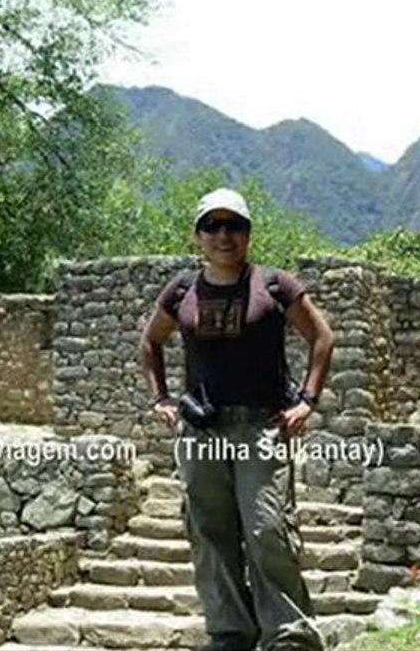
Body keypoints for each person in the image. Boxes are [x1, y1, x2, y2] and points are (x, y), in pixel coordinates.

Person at [139, 188, 335, 651]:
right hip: (201, 429)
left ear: (248, 234)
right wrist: (160, 399)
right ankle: (230, 633)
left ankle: (290, 636)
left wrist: (307, 399)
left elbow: (322, 338)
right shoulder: (181, 291)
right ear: (198, 236)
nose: (223, 235)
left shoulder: (274, 286)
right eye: (213, 226)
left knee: (268, 528)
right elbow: (150, 343)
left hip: (260, 426)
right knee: (209, 531)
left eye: (234, 226)